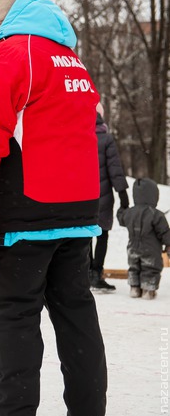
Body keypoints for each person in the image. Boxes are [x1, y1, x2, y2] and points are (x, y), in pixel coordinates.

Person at [0, 0, 107, 416]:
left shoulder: (8, 57)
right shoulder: (69, 59)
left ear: (3, 15)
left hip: (24, 212)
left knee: (17, 313)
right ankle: (88, 410)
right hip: (78, 211)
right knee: (75, 307)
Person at [91, 107, 129, 292]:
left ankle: (86, 275)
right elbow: (115, 170)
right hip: (104, 197)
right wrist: (123, 197)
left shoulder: (79, 137)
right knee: (102, 235)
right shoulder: (106, 139)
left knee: (85, 235)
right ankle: (97, 274)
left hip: (83, 197)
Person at [117, 178, 170, 300]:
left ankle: (134, 288)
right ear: (154, 195)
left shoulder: (129, 212)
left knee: (134, 267)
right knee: (150, 268)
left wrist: (123, 207)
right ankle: (148, 290)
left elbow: (121, 218)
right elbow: (164, 232)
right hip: (151, 250)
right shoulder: (156, 214)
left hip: (132, 248)